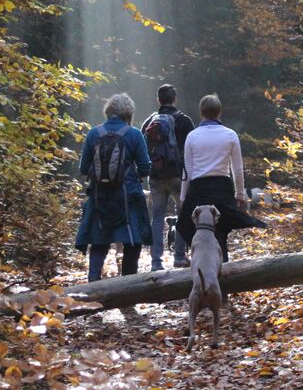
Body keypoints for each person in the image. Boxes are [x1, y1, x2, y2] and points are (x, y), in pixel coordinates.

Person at [177, 94, 266, 262]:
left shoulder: (193, 136)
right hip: (222, 189)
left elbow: (187, 170)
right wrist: (240, 194)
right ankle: (222, 272)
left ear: (201, 112)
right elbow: (237, 169)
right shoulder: (230, 135)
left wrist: (183, 197)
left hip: (198, 190)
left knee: (192, 228)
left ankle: (199, 268)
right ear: (219, 113)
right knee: (221, 231)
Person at [75, 93, 152, 282]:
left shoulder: (94, 133)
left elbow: (84, 168)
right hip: (128, 198)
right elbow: (144, 168)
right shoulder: (134, 134)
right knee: (132, 242)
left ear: (108, 111)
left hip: (99, 197)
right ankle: (128, 285)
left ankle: (92, 284)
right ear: (129, 113)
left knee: (98, 240)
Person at [140, 84, 195, 270]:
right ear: (175, 99)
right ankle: (179, 256)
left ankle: (156, 262)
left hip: (155, 177)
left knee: (156, 217)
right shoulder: (184, 121)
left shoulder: (149, 122)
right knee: (182, 214)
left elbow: (143, 150)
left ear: (158, 100)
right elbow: (192, 149)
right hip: (178, 176)